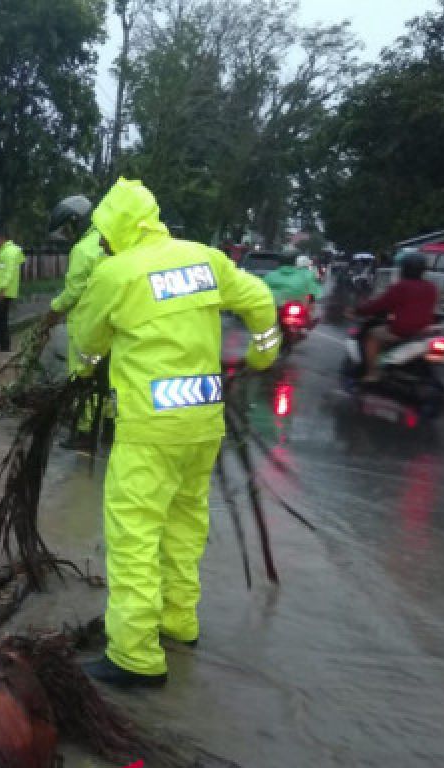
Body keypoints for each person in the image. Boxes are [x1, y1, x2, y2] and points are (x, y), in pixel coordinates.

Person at [69, 178, 280, 688]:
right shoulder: (205, 259)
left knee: (134, 535)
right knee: (185, 526)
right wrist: (262, 353)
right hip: (203, 425)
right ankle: (178, 622)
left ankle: (135, 656)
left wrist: (83, 370)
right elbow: (260, 300)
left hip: (148, 428)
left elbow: (85, 343)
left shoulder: (114, 273)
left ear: (115, 226)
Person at [43, 195, 106, 447]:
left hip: (87, 328)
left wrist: (50, 314)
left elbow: (72, 294)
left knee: (82, 377)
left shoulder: (84, 249)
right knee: (107, 377)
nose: (66, 237)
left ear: (75, 222)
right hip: (112, 325)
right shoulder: (110, 241)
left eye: (66, 230)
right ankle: (109, 430)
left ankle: (83, 432)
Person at [353, 251, 438, 382]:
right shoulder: (431, 287)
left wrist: (359, 310)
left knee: (372, 336)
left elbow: (379, 304)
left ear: (405, 268)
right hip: (423, 331)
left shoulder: (401, 286)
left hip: (401, 331)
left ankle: (372, 373)